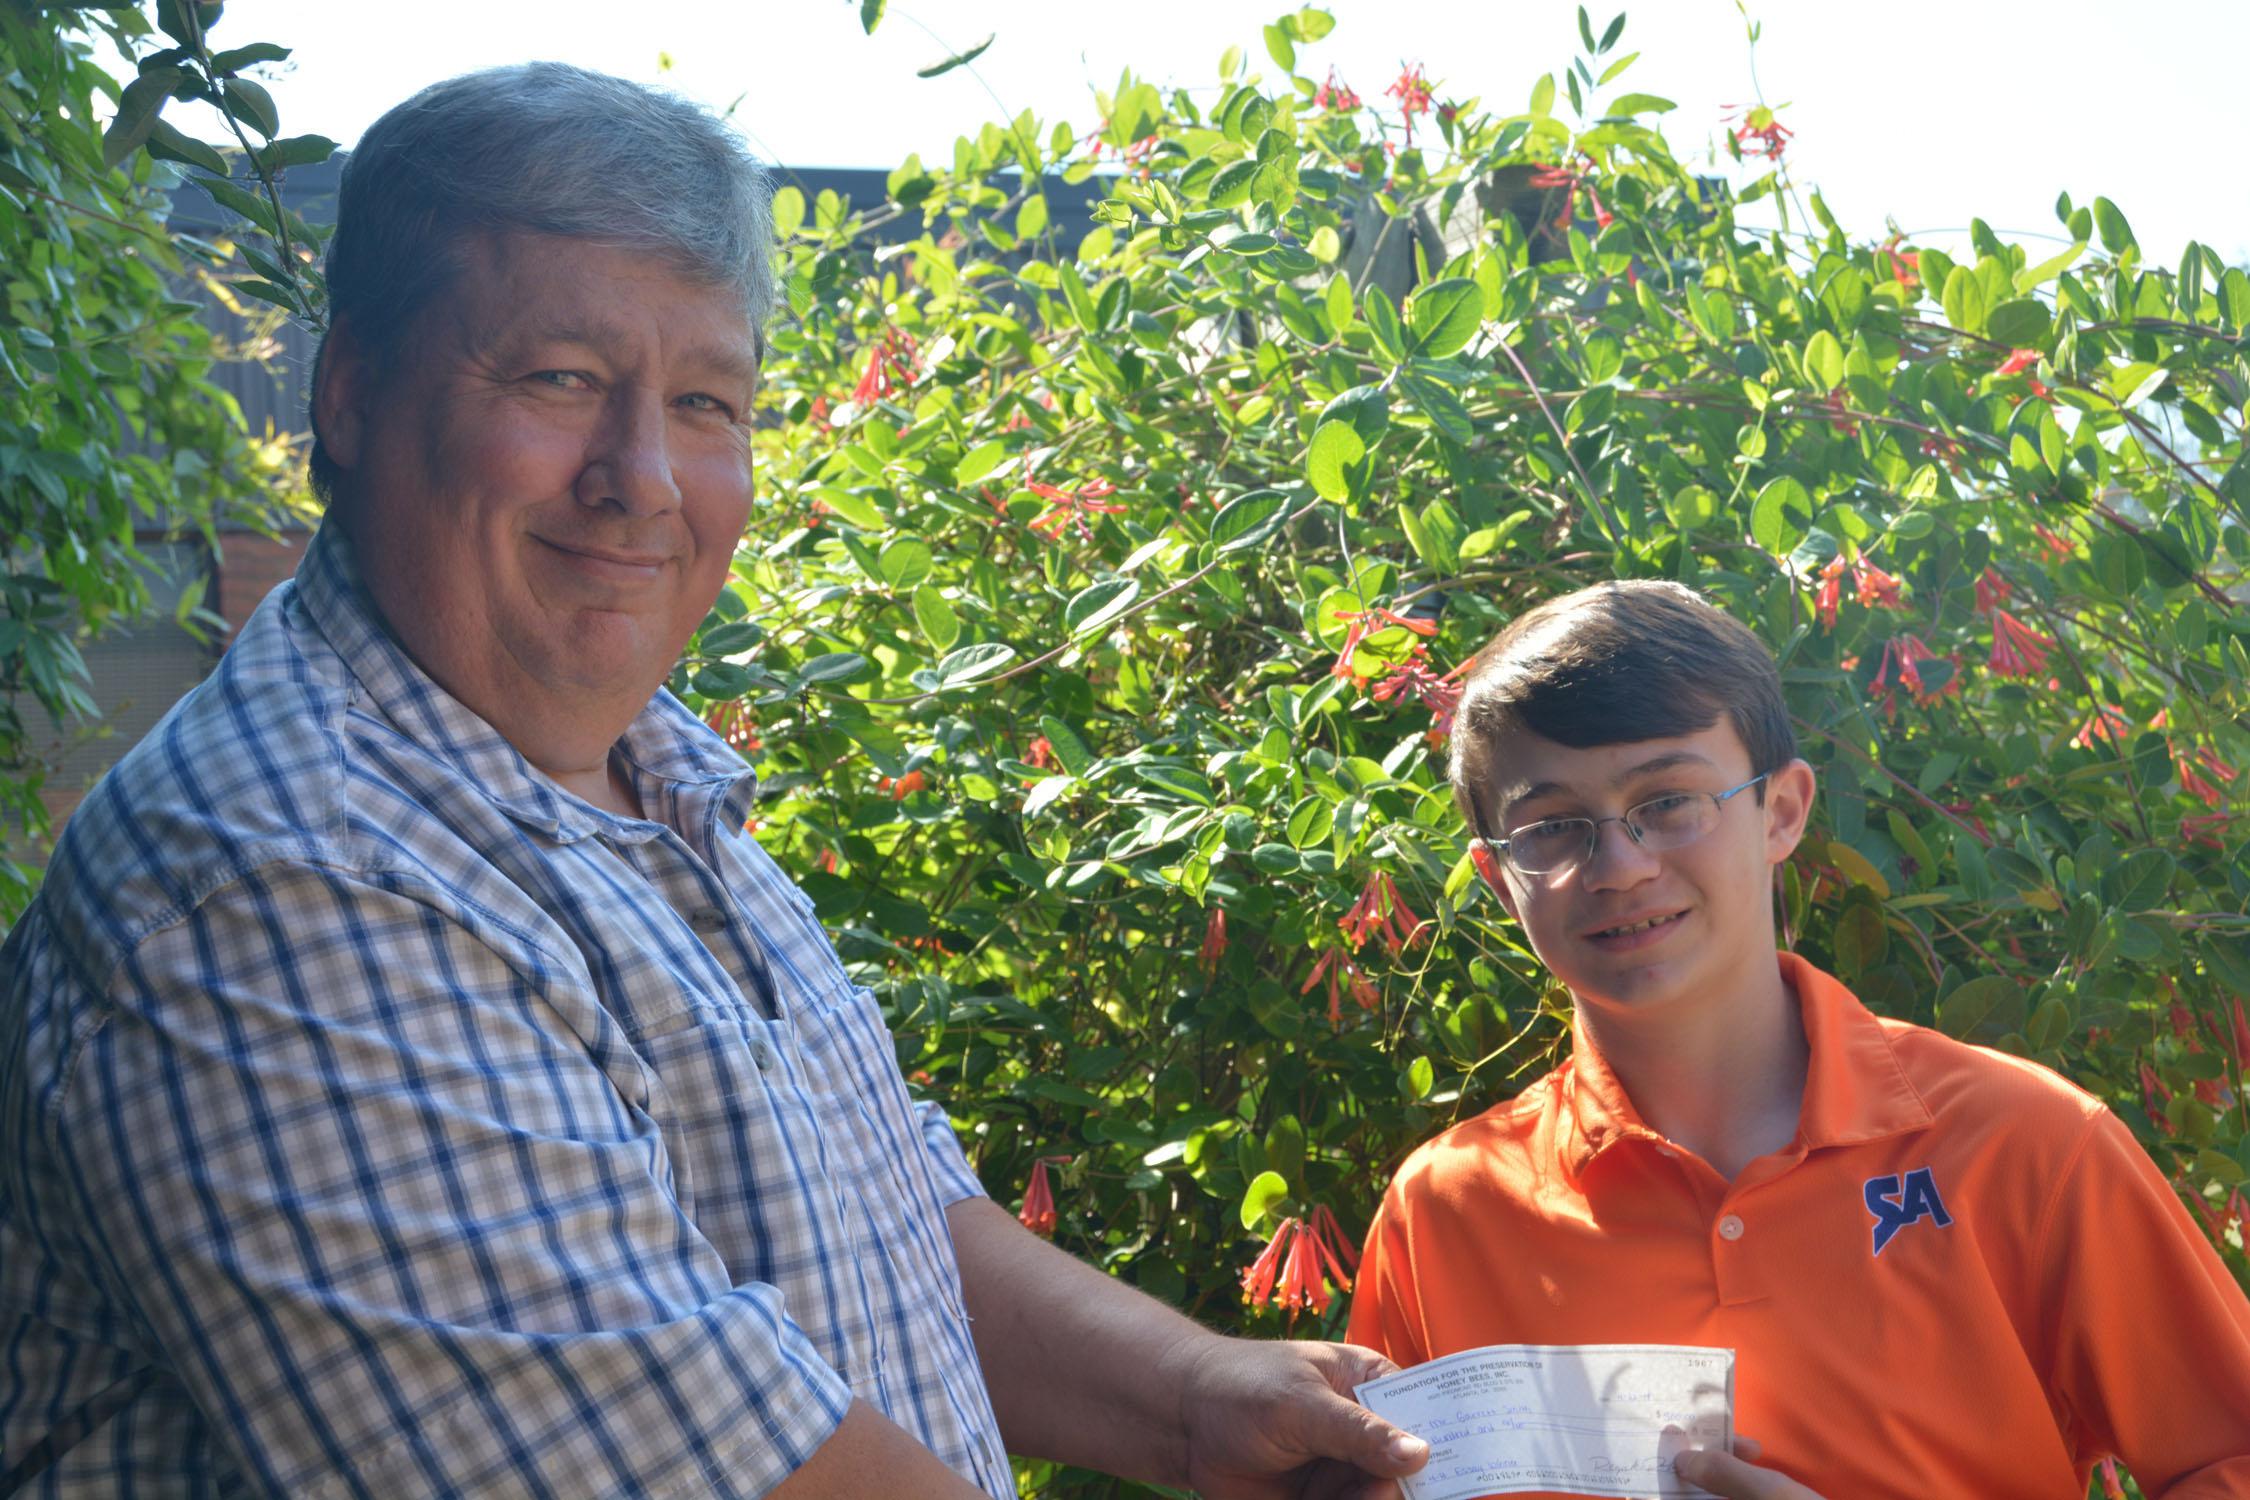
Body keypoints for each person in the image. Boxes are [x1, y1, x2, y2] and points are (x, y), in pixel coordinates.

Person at [0, 63, 1431, 1498]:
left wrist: (1194, 1396)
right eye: (560, 380)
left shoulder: (642, 775)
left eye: (704, 402)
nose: (643, 478)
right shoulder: (282, 881)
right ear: (353, 391)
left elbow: (873, 1212)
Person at [1345, 580, 2250, 1499]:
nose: (1620, 865)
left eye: (1668, 802)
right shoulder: (1444, 1215)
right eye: (1552, 828)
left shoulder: (2027, 1145)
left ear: (1781, 812)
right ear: (1499, 879)